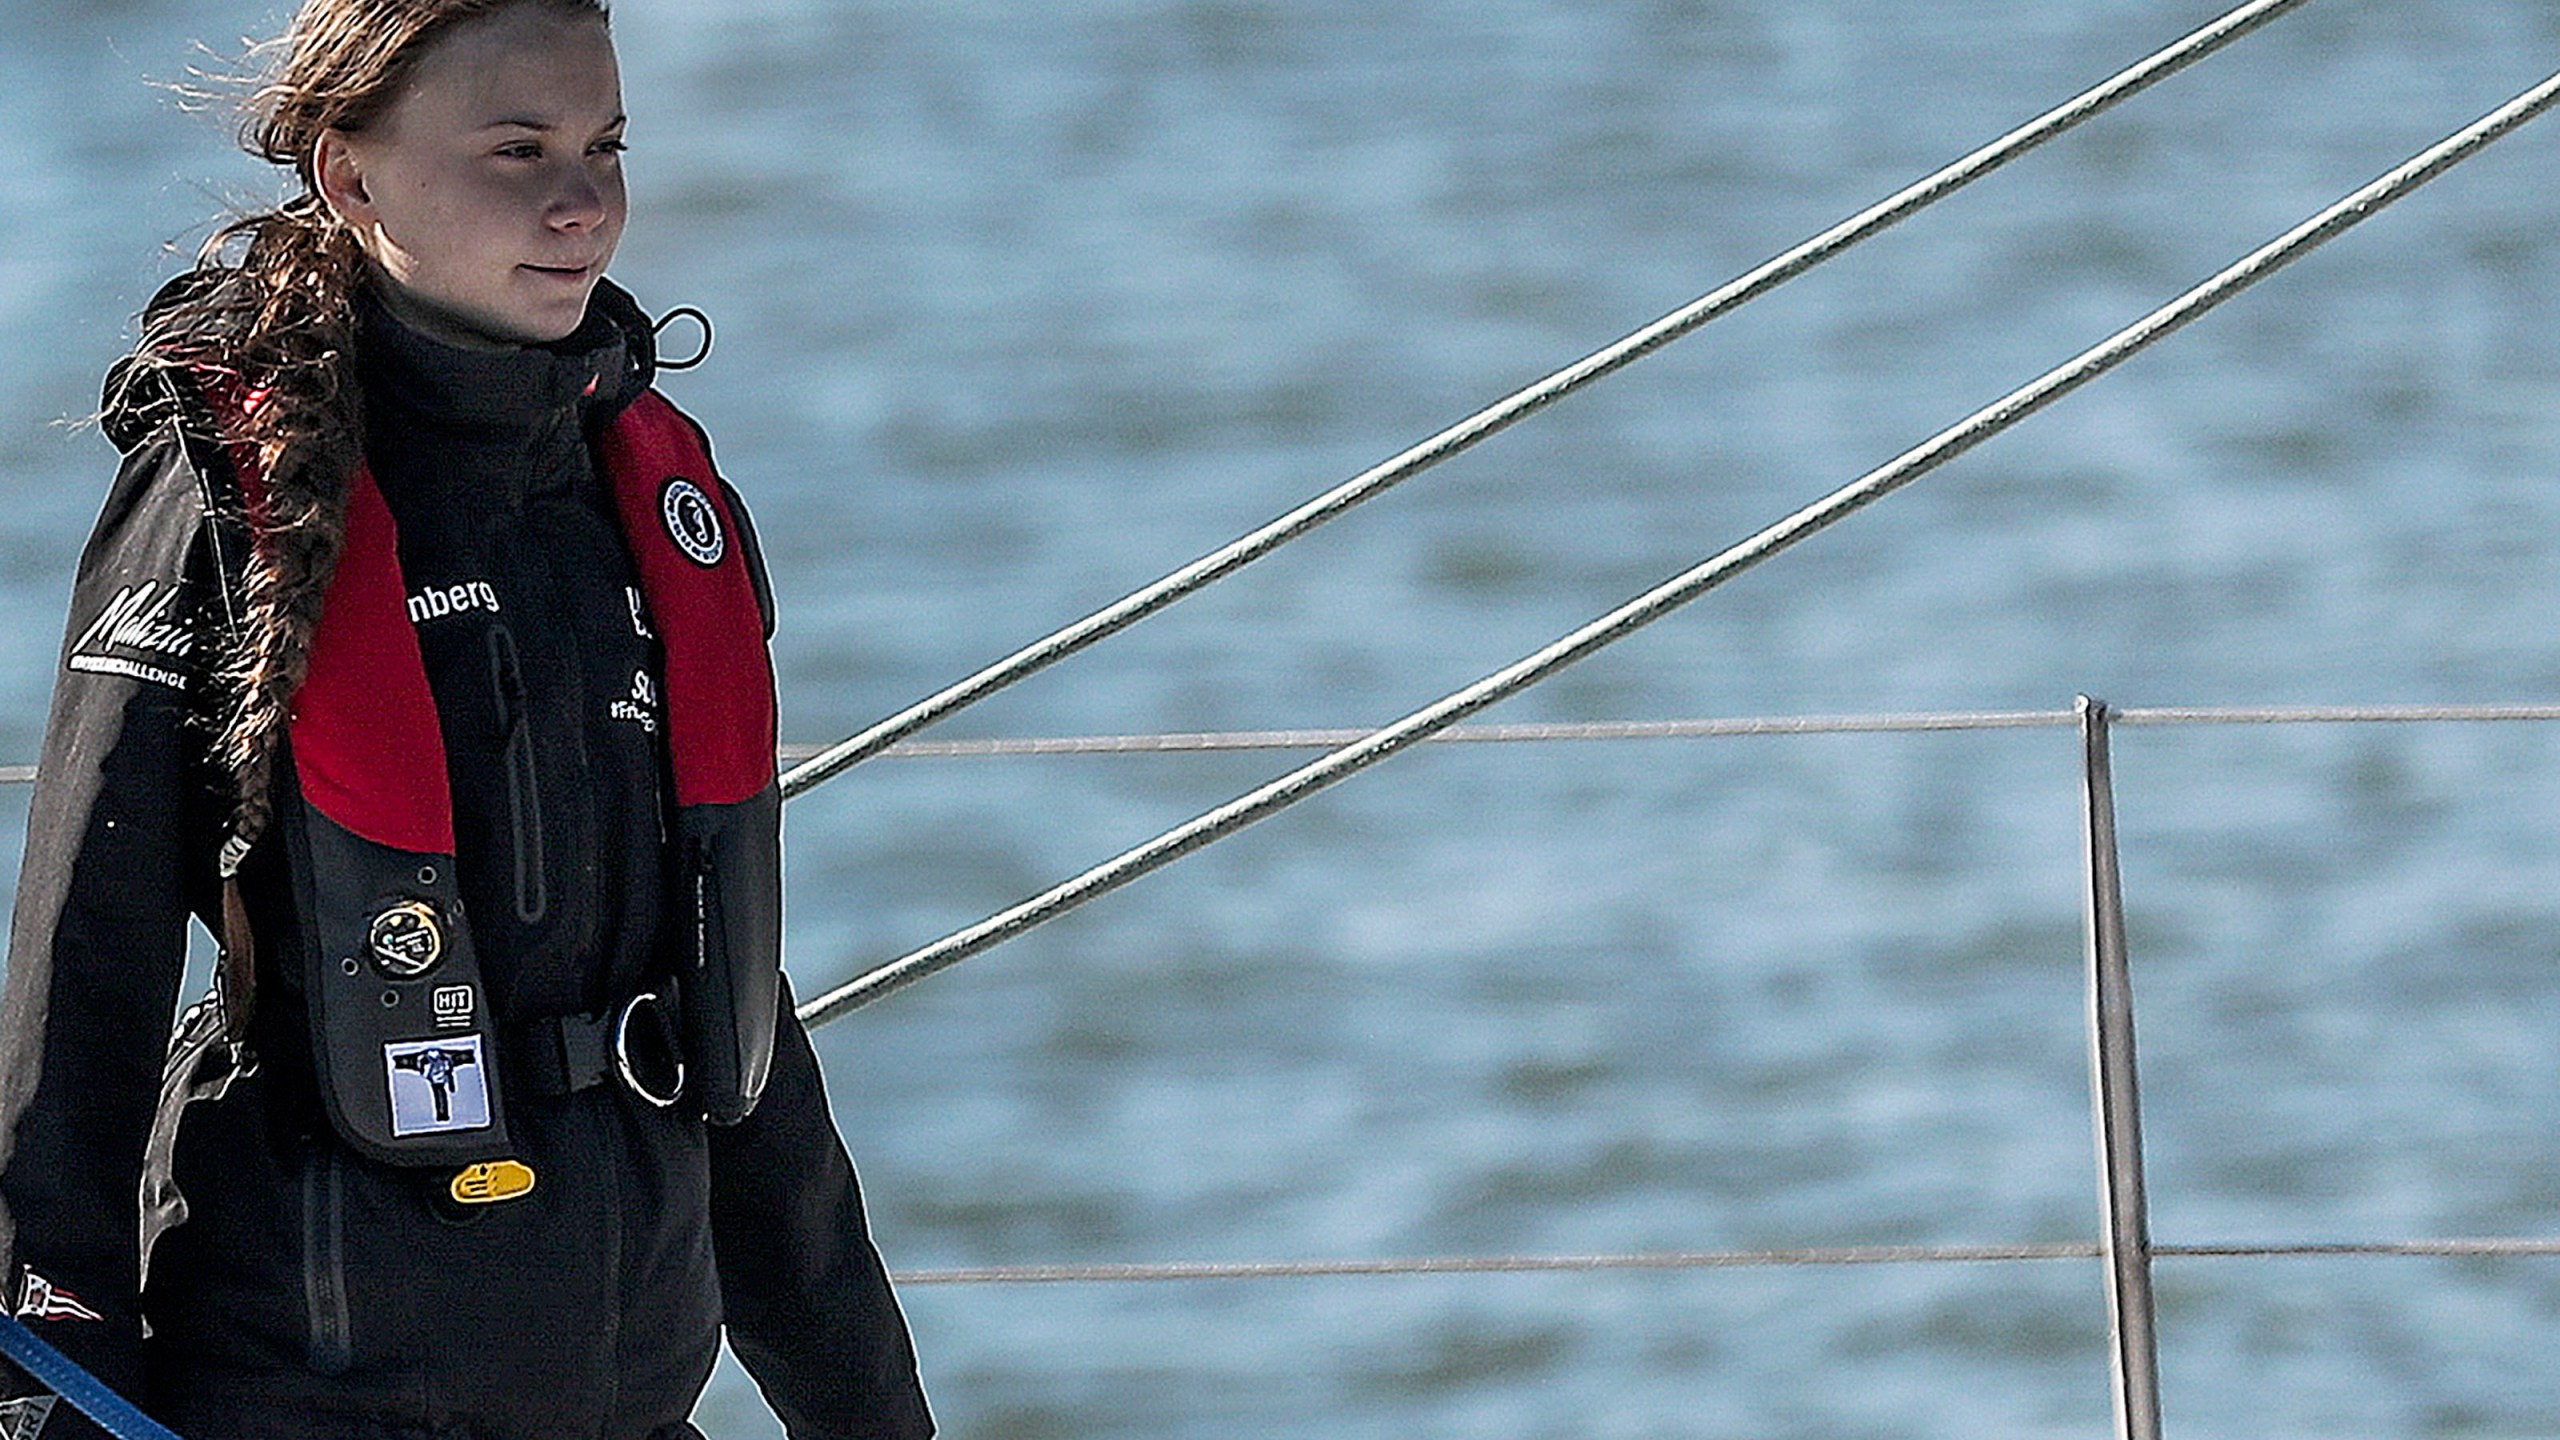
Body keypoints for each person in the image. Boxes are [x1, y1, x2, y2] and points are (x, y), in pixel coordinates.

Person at [0, 2, 934, 1436]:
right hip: (306, 1393)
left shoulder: (652, 507)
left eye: (605, 146)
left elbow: (739, 1032)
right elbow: (86, 973)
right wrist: (47, 1381)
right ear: (350, 175)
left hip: (625, 1390)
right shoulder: (224, 501)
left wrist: (868, 1407)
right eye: (518, 151)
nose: (583, 204)